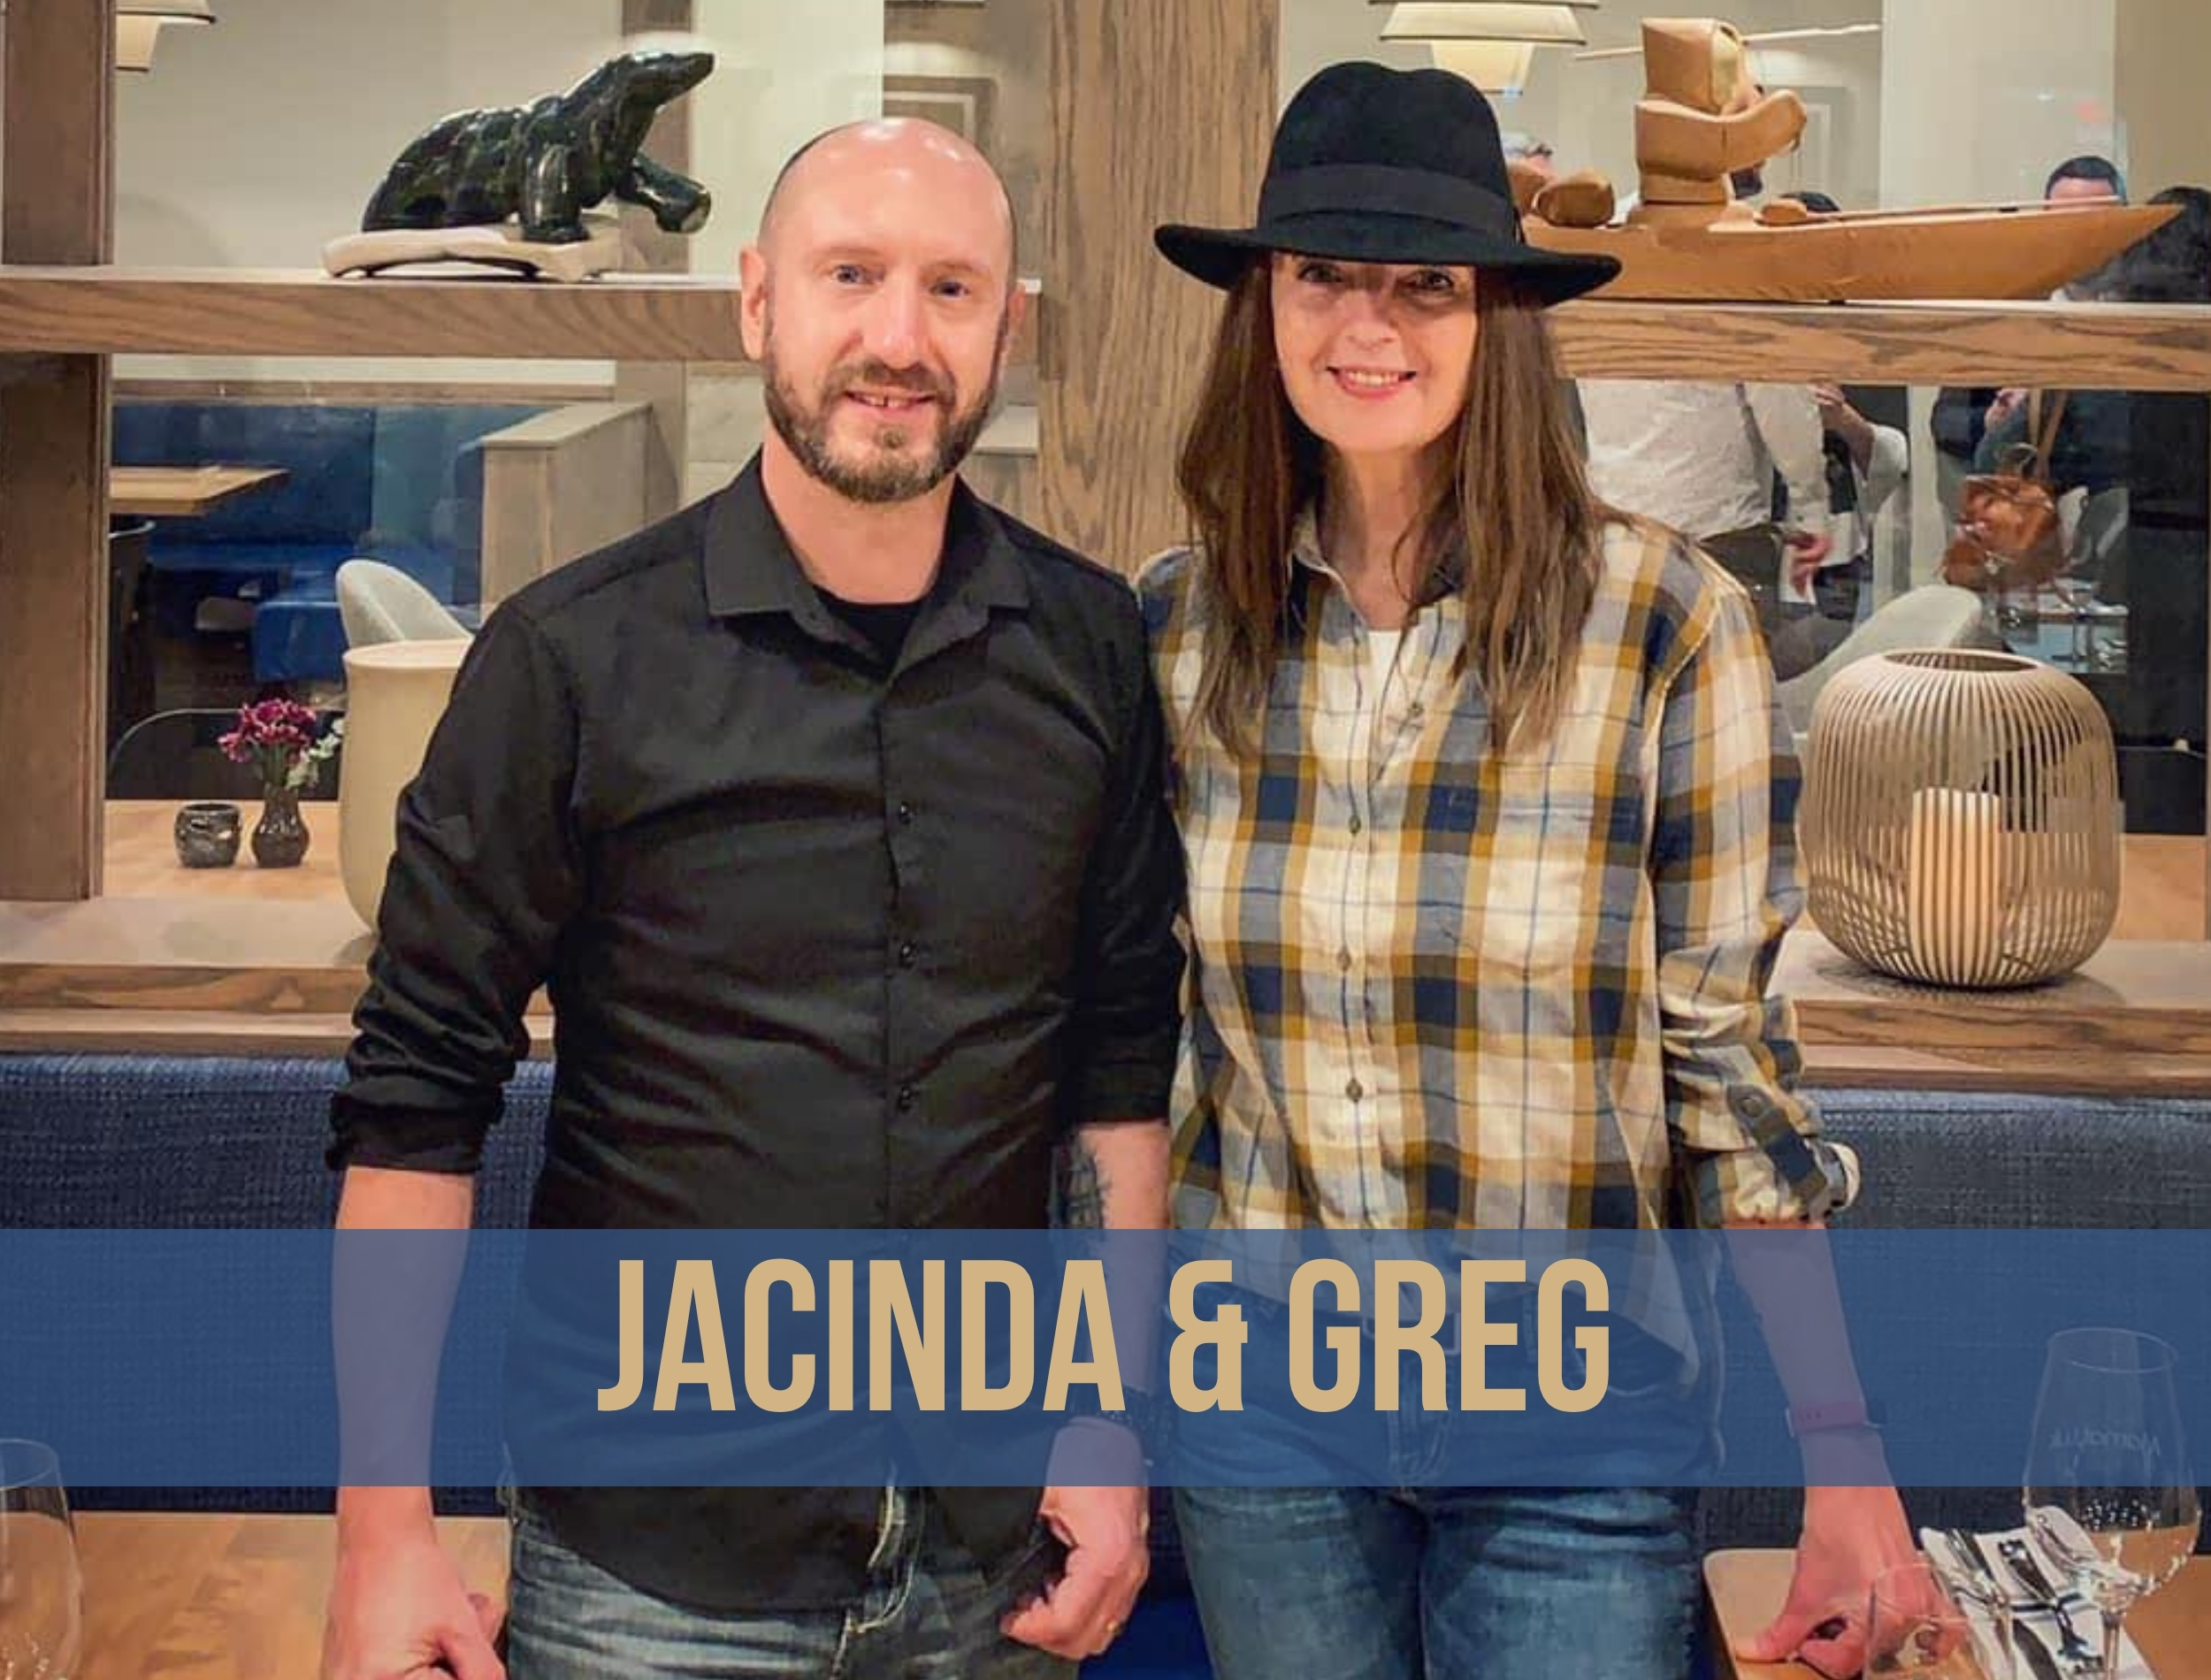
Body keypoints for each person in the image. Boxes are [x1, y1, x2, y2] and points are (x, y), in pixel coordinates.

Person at [319, 118, 1184, 1680]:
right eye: (850, 275)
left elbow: (1118, 1071)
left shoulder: (1092, 648)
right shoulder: (571, 658)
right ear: (756, 303)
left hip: (994, 1561)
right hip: (648, 1573)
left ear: (1008, 328)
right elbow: (415, 1102)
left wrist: (1110, 1422)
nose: (899, 338)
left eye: (951, 288)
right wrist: (383, 1528)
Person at [1142, 62, 1916, 1680]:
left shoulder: (1664, 624)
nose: (1369, 323)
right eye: (1322, 273)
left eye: (1427, 282)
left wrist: (1843, 1456)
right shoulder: (1176, 627)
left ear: (1496, 314)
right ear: (1263, 305)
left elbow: (1729, 1070)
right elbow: (1138, 1045)